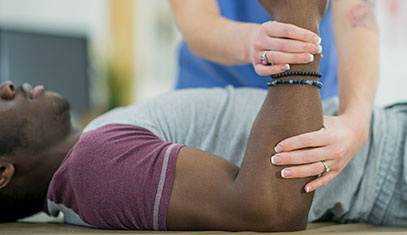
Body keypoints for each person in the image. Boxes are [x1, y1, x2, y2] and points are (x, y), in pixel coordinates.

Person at [169, 0, 379, 193]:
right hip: (212, 112)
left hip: (313, 109)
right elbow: (198, 23)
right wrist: (251, 41)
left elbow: (356, 17)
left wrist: (356, 121)